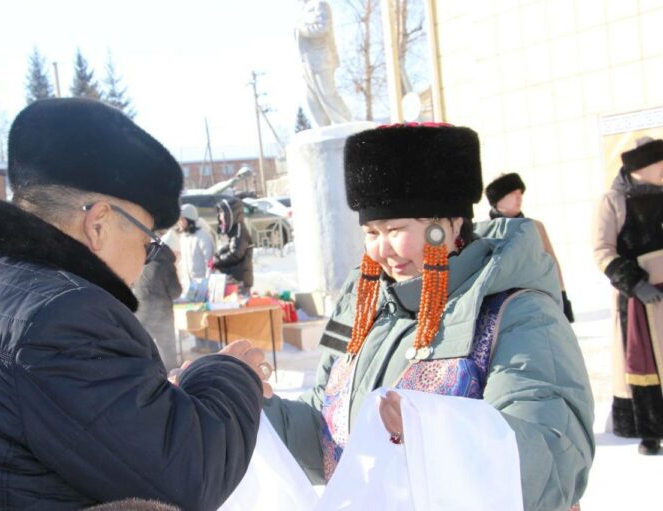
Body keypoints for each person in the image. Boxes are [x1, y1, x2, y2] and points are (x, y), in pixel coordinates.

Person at [0, 98, 270, 510]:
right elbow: (189, 475)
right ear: (99, 224)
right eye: (148, 243)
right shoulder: (63, 317)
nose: (144, 263)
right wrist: (228, 373)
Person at [263, 124, 594, 510]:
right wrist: (245, 405)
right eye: (371, 232)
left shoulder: (519, 313)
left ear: (449, 225)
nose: (381, 250)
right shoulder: (359, 307)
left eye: (395, 229)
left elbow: (555, 459)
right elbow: (327, 433)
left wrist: (436, 437)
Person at [593, 136, 663, 455]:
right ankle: (650, 432)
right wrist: (634, 283)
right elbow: (602, 251)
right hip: (640, 301)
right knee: (646, 362)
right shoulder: (614, 200)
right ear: (643, 166)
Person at [485, 172, 575, 322]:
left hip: (536, 302)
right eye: (512, 193)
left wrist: (562, 295)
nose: (519, 197)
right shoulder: (485, 231)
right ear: (498, 199)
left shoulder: (535, 227)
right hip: (499, 310)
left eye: (520, 193)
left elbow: (551, 261)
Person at [295, 0, 351, 126]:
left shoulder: (319, 4)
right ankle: (323, 127)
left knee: (328, 94)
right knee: (312, 98)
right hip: (307, 61)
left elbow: (323, 28)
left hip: (320, 58)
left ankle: (345, 123)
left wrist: (302, 29)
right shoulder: (303, 9)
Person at [134, 240, 183, 368]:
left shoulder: (142, 263)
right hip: (162, 314)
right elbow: (175, 291)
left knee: (145, 350)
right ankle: (171, 376)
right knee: (168, 350)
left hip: (141, 312)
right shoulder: (167, 266)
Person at [213, 197, 254, 295]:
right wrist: (219, 255)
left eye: (222, 213)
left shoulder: (239, 231)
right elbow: (229, 248)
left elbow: (235, 254)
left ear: (231, 214)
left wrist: (217, 261)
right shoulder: (232, 231)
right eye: (219, 213)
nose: (220, 216)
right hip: (233, 279)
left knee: (238, 303)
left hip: (239, 281)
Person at [177, 203, 214, 293]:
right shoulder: (183, 237)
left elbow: (209, 261)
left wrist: (207, 282)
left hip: (202, 284)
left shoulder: (203, 236)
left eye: (182, 219)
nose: (179, 223)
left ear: (189, 220)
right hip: (188, 285)